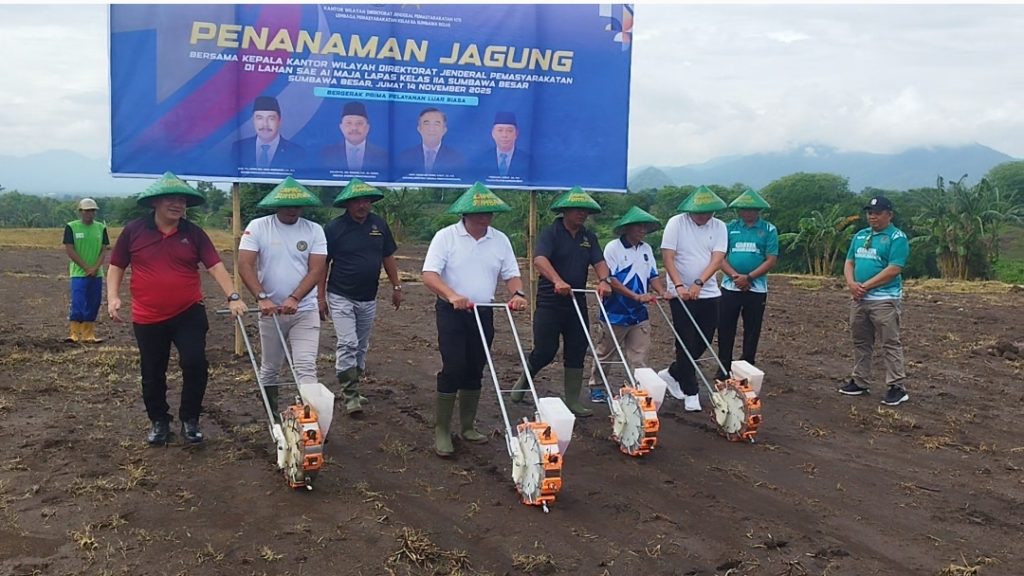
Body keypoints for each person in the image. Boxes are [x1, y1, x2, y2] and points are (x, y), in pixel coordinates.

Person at [107, 172, 247, 446]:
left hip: (188, 312)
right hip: (147, 316)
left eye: (182, 200)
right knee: (152, 371)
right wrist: (112, 297)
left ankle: (190, 419)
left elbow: (215, 266)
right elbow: (116, 266)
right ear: (155, 202)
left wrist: (232, 296)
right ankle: (159, 421)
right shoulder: (134, 231)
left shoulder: (194, 233)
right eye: (171, 199)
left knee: (195, 363)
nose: (177, 204)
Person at [421, 182, 529, 457]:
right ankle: (442, 430)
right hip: (452, 312)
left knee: (475, 367)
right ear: (465, 214)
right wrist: (452, 295)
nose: (486, 217)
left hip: (483, 311)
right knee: (454, 366)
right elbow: (429, 275)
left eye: (490, 212)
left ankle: (468, 426)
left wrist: (517, 293)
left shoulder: (500, 240)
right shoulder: (446, 237)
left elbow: (511, 274)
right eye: (480, 212)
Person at [510, 187, 612, 417]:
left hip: (576, 301)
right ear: (565, 211)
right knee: (546, 350)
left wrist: (604, 280)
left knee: (577, 348)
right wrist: (557, 280)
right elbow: (540, 260)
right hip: (550, 302)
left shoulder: (589, 237)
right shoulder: (551, 233)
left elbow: (599, 262)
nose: (582, 214)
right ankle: (525, 378)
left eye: (585, 210)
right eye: (577, 209)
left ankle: (573, 400)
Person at [237, 177, 327, 417]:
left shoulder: (314, 230)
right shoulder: (258, 227)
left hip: (304, 310)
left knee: (306, 366)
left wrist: (296, 298)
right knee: (270, 368)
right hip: (271, 312)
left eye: (297, 205)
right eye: (287, 205)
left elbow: (317, 269)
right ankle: (272, 415)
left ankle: (311, 420)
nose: (292, 209)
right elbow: (245, 264)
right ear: (276, 204)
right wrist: (261, 297)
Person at [319, 178, 402, 415]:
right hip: (340, 294)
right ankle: (350, 394)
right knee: (348, 342)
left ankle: (354, 386)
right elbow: (323, 264)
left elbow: (388, 256)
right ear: (347, 204)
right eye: (357, 201)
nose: (362, 205)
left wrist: (396, 286)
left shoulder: (379, 225)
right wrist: (320, 297)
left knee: (361, 345)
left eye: (366, 201)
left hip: (368, 296)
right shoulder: (334, 228)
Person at [587, 206, 669, 402]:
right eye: (638, 226)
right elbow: (611, 279)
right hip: (615, 311)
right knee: (605, 352)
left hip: (639, 313)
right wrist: (635, 296)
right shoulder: (613, 248)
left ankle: (639, 389)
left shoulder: (646, 249)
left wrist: (662, 291)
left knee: (639, 356)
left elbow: (653, 275)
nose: (642, 230)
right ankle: (597, 386)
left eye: (644, 227)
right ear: (627, 228)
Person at [658, 186, 728, 413]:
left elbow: (717, 259)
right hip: (680, 294)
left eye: (708, 213)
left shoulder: (719, 226)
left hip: (708, 292)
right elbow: (668, 257)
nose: (703, 217)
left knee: (704, 340)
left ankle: (673, 373)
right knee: (685, 341)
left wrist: (699, 283)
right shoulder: (676, 223)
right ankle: (691, 391)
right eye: (699, 213)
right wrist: (679, 285)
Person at [839, 195, 911, 406]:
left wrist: (865, 286)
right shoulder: (860, 235)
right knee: (861, 341)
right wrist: (851, 284)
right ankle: (860, 380)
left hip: (884, 299)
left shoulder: (897, 237)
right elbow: (849, 262)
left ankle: (897, 386)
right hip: (860, 298)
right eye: (870, 213)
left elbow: (894, 269)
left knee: (890, 342)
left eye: (878, 213)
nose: (873, 217)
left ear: (889, 215)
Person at [716, 188, 779, 380]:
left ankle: (747, 366)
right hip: (730, 286)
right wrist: (736, 277)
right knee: (725, 327)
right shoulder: (728, 228)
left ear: (758, 210)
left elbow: (771, 259)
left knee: (752, 329)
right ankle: (723, 366)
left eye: (752, 209)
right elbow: (720, 256)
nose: (748, 212)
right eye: (744, 209)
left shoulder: (769, 229)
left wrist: (749, 278)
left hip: (756, 288)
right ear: (738, 210)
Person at [63, 197, 110, 343]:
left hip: (96, 274)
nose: (90, 213)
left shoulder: (101, 228)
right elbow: (70, 249)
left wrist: (95, 268)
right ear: (80, 211)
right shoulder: (71, 227)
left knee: (94, 302)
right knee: (78, 301)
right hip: (78, 273)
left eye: (93, 211)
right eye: (87, 211)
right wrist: (86, 268)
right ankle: (74, 333)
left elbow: (103, 250)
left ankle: (88, 334)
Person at [231, 95, 306, 170]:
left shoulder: (296, 152)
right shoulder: (239, 148)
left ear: (279, 121)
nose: (265, 124)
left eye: (271, 119)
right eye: (259, 118)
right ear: (253, 121)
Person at [319, 101, 388, 174]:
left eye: (359, 123)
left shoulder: (382, 155)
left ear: (368, 128)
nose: (354, 128)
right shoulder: (328, 154)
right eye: (349, 123)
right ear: (341, 127)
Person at [397, 107, 465, 176]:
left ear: (444, 130)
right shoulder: (405, 157)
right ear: (419, 129)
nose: (431, 129)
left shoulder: (456, 159)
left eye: (436, 124)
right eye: (427, 124)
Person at [477, 111, 530, 179]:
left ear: (516, 134)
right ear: (493, 133)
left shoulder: (528, 161)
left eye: (509, 131)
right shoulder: (481, 160)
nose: (504, 135)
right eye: (500, 130)